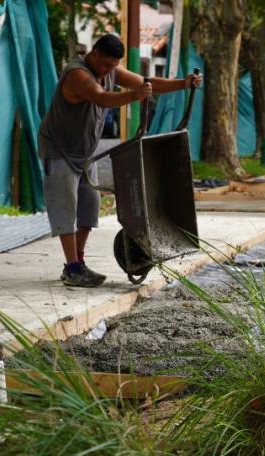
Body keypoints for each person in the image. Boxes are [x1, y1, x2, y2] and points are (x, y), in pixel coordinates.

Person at [38, 34, 202, 287]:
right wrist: (134, 96)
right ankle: (72, 268)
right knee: (65, 207)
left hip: (85, 153)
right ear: (94, 54)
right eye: (105, 65)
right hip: (59, 150)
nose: (109, 70)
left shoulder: (111, 69)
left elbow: (147, 83)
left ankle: (77, 263)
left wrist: (183, 83)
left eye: (113, 66)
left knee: (89, 207)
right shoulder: (77, 74)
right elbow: (100, 97)